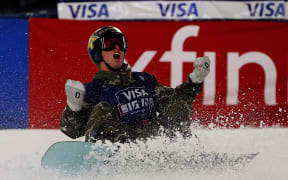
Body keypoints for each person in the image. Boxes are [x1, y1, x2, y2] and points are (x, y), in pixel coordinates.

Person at [60, 26, 210, 143]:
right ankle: (99, 154)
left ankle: (182, 148)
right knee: (103, 109)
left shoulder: (144, 80)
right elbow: (72, 131)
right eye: (110, 43)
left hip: (153, 142)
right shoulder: (91, 90)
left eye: (121, 43)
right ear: (98, 52)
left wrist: (195, 81)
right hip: (119, 147)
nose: (117, 47)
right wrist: (74, 107)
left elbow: (174, 99)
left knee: (177, 105)